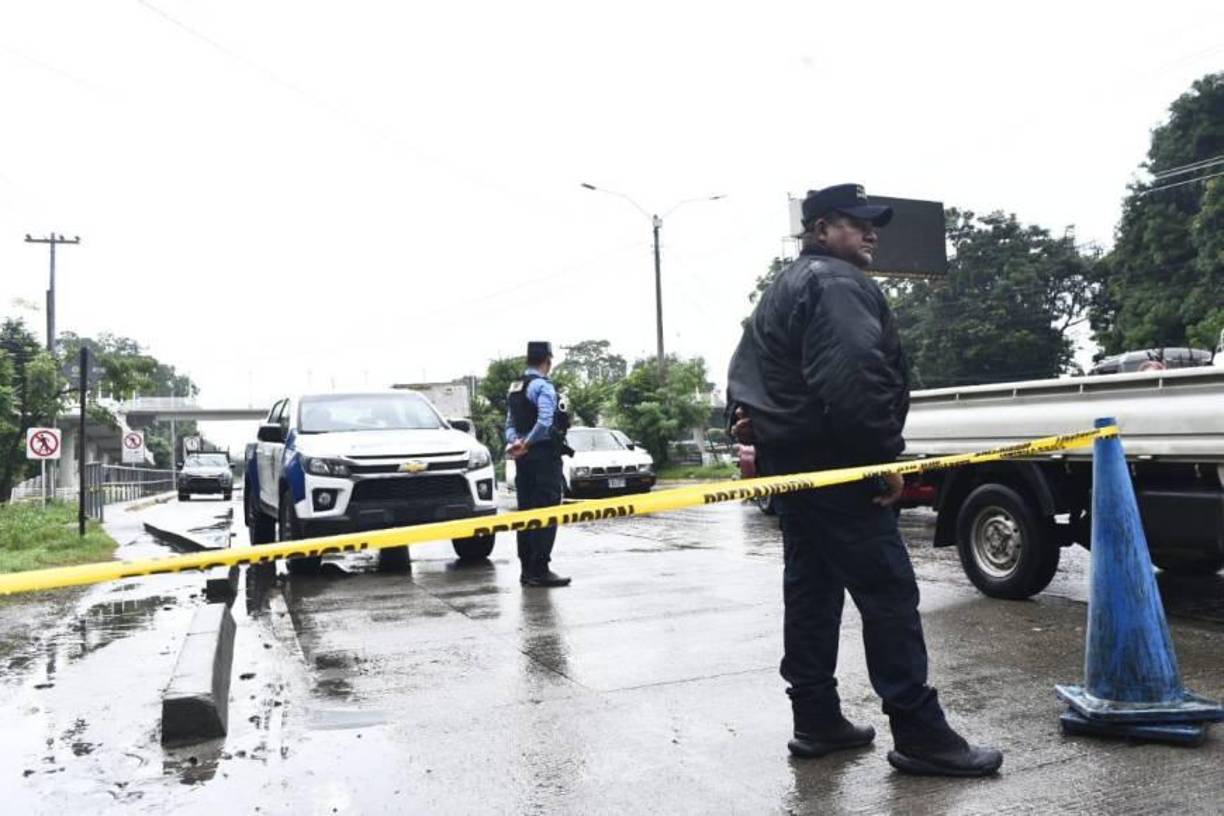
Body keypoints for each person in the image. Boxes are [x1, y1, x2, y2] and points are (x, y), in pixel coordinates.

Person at [727, 184, 1002, 777]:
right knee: (889, 594)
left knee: (811, 592)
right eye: (858, 224)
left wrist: (752, 424)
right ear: (822, 230)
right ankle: (921, 734)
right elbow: (854, 375)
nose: (872, 233)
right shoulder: (835, 282)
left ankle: (816, 718)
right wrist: (881, 459)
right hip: (837, 466)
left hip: (793, 470)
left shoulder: (784, 286)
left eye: (872, 224)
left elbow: (745, 376)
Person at [505, 341, 572, 588]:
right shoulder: (543, 387)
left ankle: (527, 571)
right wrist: (529, 443)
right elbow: (545, 421)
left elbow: (509, 425)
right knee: (546, 512)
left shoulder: (515, 388)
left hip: (523, 460)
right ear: (548, 361)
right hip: (543, 457)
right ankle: (540, 569)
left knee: (526, 514)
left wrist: (516, 443)